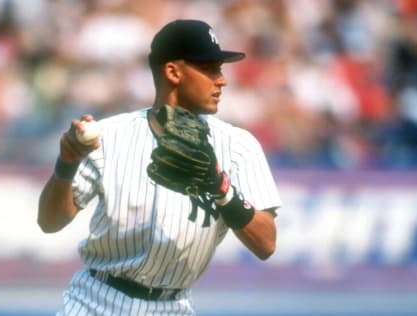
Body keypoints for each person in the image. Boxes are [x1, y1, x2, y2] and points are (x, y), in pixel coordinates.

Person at [38, 19, 281, 316]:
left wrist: (222, 190)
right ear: (173, 72)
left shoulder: (239, 146)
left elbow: (266, 242)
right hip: (96, 302)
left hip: (174, 307)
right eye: (209, 69)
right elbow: (49, 222)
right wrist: (67, 164)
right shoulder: (109, 137)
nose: (222, 80)